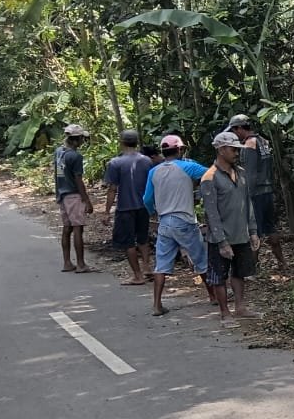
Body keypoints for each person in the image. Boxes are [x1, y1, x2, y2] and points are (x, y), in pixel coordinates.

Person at [143, 134, 209, 317]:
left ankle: (157, 305)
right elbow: (211, 173)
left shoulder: (154, 172)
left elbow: (147, 199)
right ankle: (213, 296)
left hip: (164, 222)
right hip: (185, 220)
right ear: (180, 150)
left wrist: (153, 211)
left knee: (162, 265)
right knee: (201, 260)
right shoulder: (188, 167)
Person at [199, 131, 261, 326]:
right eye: (233, 149)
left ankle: (240, 307)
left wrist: (253, 231)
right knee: (219, 275)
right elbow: (211, 213)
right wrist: (222, 241)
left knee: (240, 272)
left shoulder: (240, 173)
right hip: (221, 237)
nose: (236, 153)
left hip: (241, 233)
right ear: (221, 150)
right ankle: (225, 313)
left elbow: (248, 203)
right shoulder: (209, 177)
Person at [226, 114, 287, 272]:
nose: (234, 134)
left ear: (240, 128)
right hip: (267, 191)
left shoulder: (249, 144)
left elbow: (250, 173)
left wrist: (246, 195)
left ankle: (251, 268)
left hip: (256, 193)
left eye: (234, 130)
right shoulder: (263, 141)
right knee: (270, 228)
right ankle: (282, 263)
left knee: (254, 231)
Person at [101, 129, 153, 285]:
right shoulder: (146, 161)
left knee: (128, 242)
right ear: (137, 142)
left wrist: (106, 212)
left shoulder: (115, 163)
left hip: (125, 208)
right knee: (143, 238)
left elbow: (112, 189)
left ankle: (138, 276)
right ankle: (147, 268)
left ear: (122, 142)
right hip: (143, 206)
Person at [55, 123, 94, 273]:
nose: (83, 141)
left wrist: (58, 192)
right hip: (73, 195)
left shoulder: (59, 152)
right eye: (82, 138)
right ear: (76, 139)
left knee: (67, 228)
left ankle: (67, 262)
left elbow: (58, 174)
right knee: (78, 228)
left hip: (63, 194)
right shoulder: (75, 156)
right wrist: (86, 200)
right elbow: (78, 179)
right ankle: (81, 264)